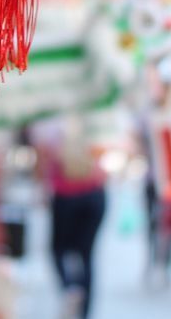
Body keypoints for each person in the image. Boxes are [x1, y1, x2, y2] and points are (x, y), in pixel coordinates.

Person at [40, 121, 108, 319]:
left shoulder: (52, 125)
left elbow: (43, 157)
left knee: (58, 249)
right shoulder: (94, 122)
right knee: (86, 256)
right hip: (94, 194)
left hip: (65, 195)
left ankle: (70, 288)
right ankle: (84, 311)